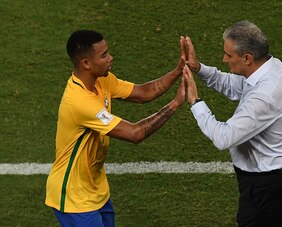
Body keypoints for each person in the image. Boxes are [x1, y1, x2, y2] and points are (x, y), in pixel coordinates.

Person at [45, 30, 187, 227]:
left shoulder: (102, 80)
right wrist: (175, 104)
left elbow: (143, 93)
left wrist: (178, 70)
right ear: (86, 63)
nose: (110, 58)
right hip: (73, 196)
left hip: (95, 187)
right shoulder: (79, 102)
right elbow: (135, 133)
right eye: (104, 55)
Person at [182, 20, 282, 227]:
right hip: (268, 180)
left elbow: (223, 137)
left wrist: (194, 101)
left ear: (247, 58)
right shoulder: (270, 68)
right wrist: (198, 68)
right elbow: (233, 85)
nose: (224, 59)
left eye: (228, 55)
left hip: (265, 185)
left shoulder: (265, 96)